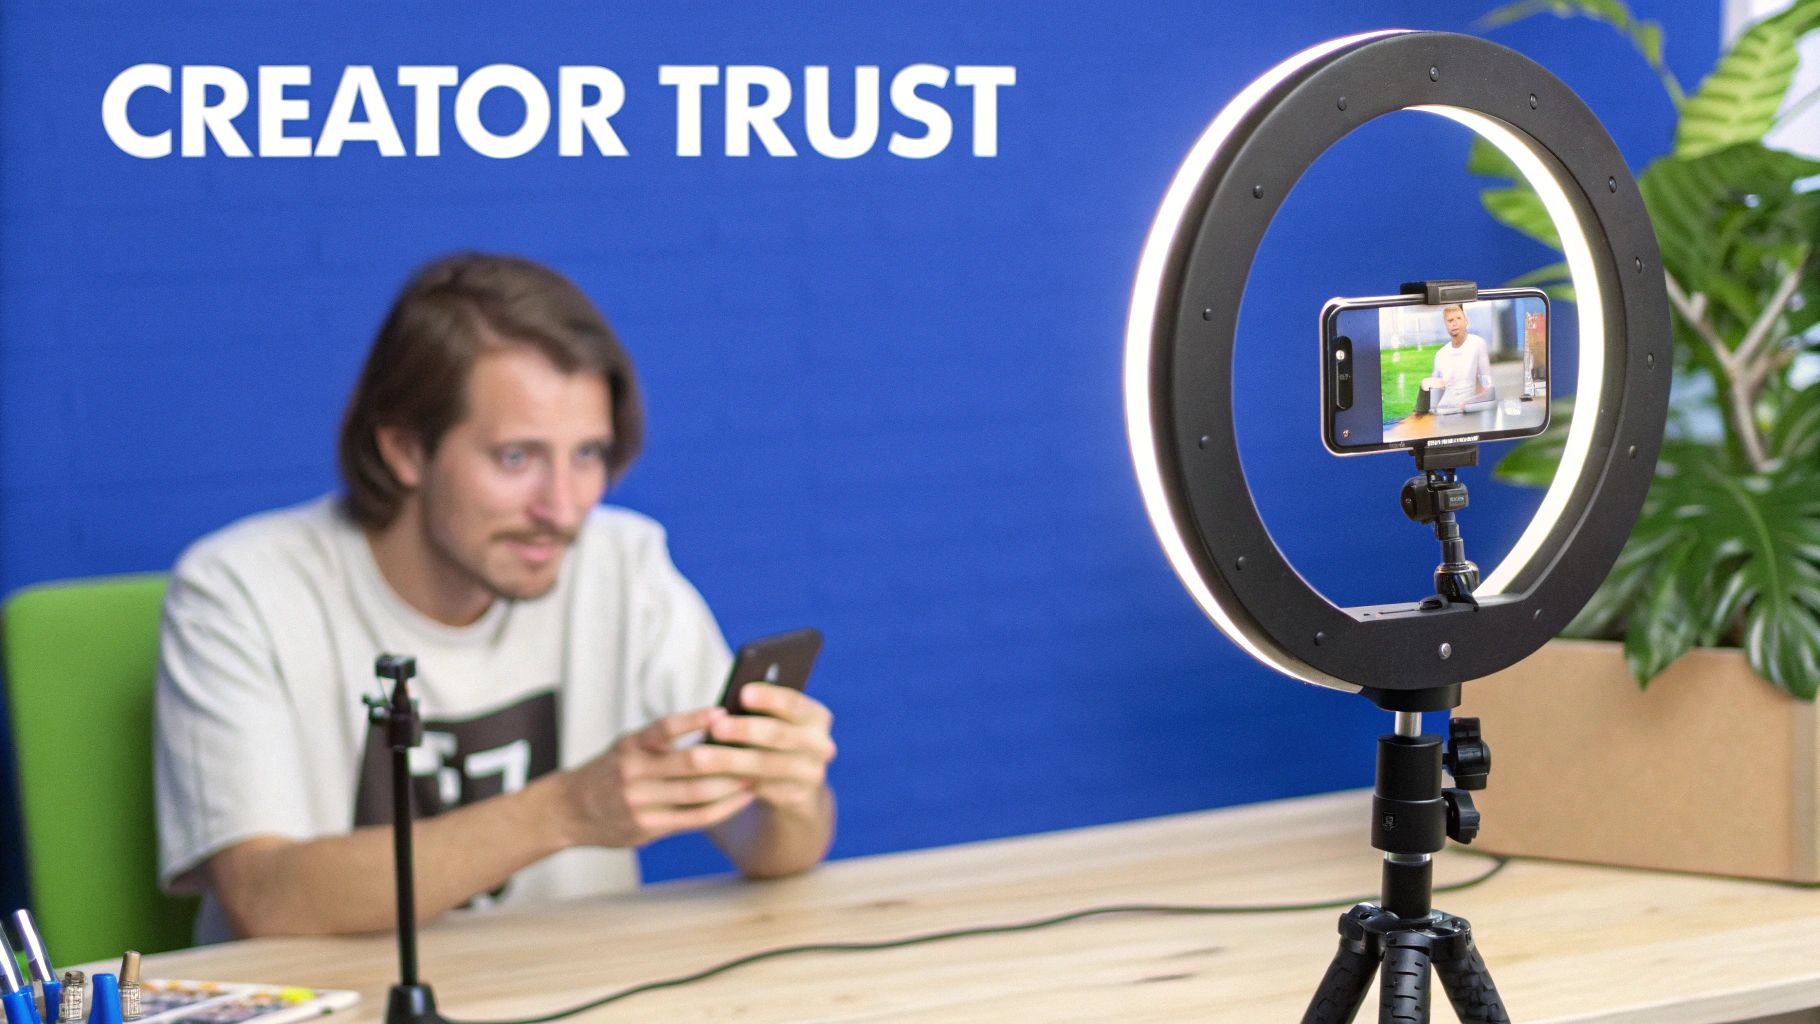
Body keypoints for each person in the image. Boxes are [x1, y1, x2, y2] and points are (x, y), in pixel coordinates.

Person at [153, 253, 837, 941]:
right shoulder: (238, 589)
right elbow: (267, 900)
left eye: (588, 454)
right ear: (404, 449)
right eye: (517, 458)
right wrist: (566, 810)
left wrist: (789, 797)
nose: (564, 508)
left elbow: (772, 849)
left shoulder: (622, 563)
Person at [1419, 304, 1493, 414]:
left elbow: (1488, 386)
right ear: (1445, 325)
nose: (1455, 323)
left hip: (1466, 411)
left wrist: (1470, 403)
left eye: (1458, 318)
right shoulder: (1441, 354)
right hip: (1443, 411)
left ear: (1466, 321)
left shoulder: (1477, 344)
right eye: (1450, 320)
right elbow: (1434, 392)